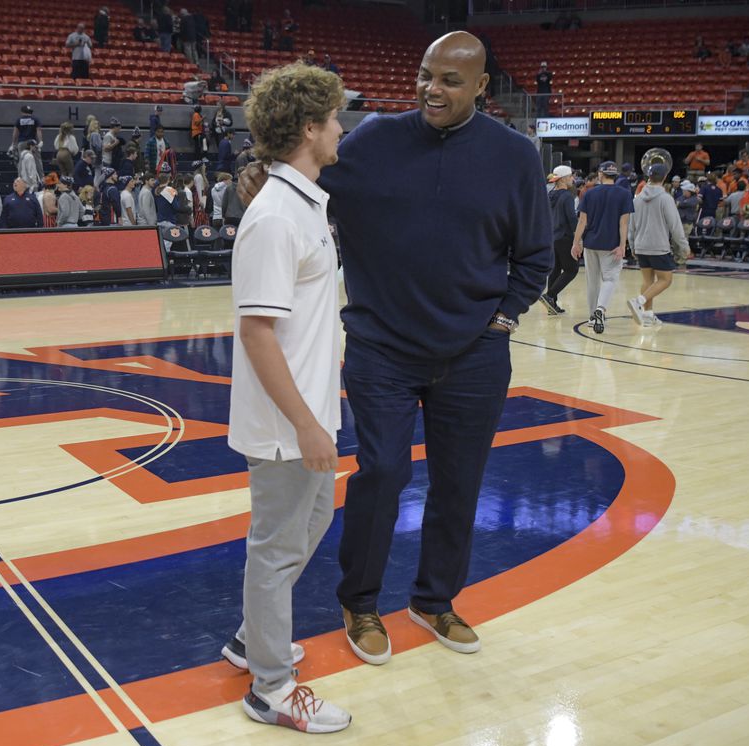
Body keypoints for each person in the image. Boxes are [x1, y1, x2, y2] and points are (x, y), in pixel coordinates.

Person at [241, 36, 553, 665]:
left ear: (482, 87)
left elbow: (536, 256)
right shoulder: (373, 140)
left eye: (449, 81)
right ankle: (359, 602)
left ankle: (434, 600)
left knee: (460, 483)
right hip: (382, 346)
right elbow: (297, 168)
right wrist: (253, 171)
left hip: (475, 352)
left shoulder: (516, 157)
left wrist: (501, 319)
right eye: (423, 75)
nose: (432, 89)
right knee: (382, 473)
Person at [218, 61, 351, 735]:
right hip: (285, 422)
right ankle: (270, 686)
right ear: (307, 128)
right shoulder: (275, 216)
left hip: (308, 412)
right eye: (333, 119)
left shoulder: (299, 201)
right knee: (275, 547)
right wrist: (304, 424)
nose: (340, 129)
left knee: (310, 525)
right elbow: (257, 333)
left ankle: (252, 638)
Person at [571, 160, 632, 334]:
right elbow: (624, 223)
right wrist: (622, 245)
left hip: (591, 243)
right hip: (611, 244)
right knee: (610, 279)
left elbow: (582, 221)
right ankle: (601, 309)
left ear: (600, 174)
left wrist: (576, 243)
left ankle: (592, 316)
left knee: (592, 282)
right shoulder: (624, 194)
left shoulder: (589, 194)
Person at [626, 163, 689, 328]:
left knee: (648, 280)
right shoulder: (666, 198)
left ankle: (647, 315)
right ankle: (639, 302)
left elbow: (631, 225)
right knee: (665, 280)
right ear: (665, 178)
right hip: (658, 246)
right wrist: (683, 246)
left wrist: (632, 245)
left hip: (640, 245)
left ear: (648, 177)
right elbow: (674, 226)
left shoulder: (637, 198)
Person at [540, 164, 579, 315]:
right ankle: (549, 296)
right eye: (570, 176)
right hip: (565, 237)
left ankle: (552, 305)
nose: (572, 179)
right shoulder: (567, 196)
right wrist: (578, 238)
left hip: (552, 237)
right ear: (563, 179)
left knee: (555, 269)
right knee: (571, 269)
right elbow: (571, 218)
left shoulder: (549, 195)